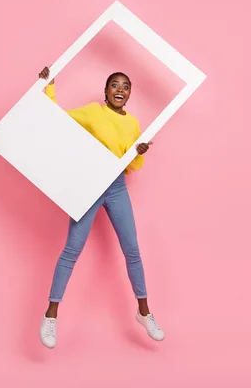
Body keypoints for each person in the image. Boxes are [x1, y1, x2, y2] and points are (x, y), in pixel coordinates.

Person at [37, 66, 164, 348]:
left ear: (129, 94)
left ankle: (144, 312)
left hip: (117, 187)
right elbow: (55, 120)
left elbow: (131, 165)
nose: (120, 90)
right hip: (89, 186)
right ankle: (50, 315)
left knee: (132, 250)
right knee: (72, 250)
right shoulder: (93, 112)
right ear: (106, 91)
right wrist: (50, 84)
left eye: (126, 86)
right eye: (115, 85)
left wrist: (139, 152)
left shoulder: (132, 123)